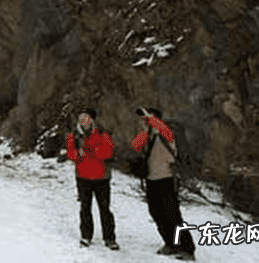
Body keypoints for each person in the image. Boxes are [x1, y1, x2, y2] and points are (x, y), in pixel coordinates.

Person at [130, 107, 196, 261]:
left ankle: (188, 248)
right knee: (156, 213)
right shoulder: (148, 134)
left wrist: (152, 119)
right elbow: (135, 145)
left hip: (167, 179)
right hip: (151, 179)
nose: (145, 121)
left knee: (173, 215)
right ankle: (171, 243)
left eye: (148, 119)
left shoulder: (167, 133)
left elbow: (165, 131)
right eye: (144, 119)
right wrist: (147, 129)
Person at [66, 108, 119, 250]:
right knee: (85, 208)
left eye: (86, 118)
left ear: (92, 120)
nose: (82, 121)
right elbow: (70, 153)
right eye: (80, 118)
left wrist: (93, 150)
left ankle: (109, 238)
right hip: (82, 177)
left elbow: (109, 151)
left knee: (105, 209)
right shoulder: (74, 135)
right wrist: (79, 153)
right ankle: (86, 236)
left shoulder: (103, 133)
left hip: (101, 177)